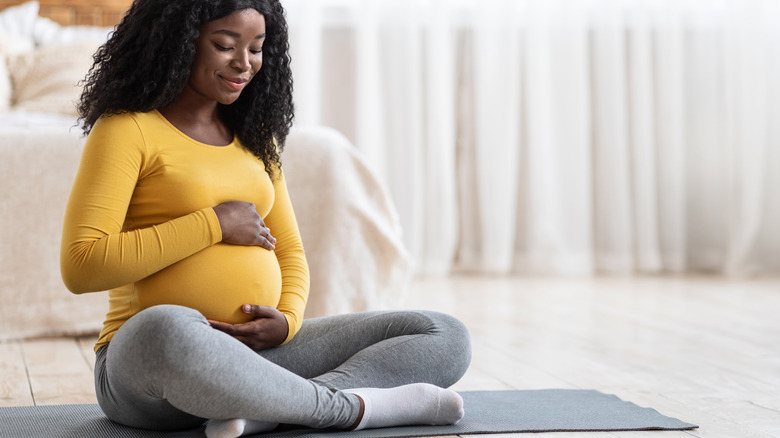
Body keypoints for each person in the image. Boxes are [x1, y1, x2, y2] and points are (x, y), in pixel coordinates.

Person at [60, 0, 471, 437]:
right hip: (153, 367)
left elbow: (290, 250)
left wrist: (289, 320)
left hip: (259, 358)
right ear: (179, 43)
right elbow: (82, 264)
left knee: (442, 333)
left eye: (257, 48)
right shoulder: (127, 129)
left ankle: (268, 407)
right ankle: (343, 409)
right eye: (224, 45)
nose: (244, 63)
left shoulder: (256, 140)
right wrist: (213, 224)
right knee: (168, 327)